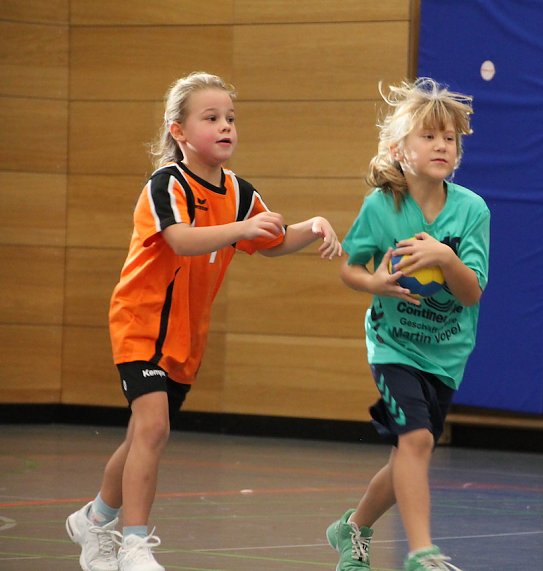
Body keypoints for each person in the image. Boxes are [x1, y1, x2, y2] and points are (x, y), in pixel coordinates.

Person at [65, 71, 342, 571]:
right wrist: (241, 228)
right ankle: (133, 543)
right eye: (211, 118)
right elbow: (182, 239)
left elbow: (271, 241)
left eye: (231, 118)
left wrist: (311, 227)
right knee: (153, 429)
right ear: (179, 131)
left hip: (186, 333)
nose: (225, 126)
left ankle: (94, 518)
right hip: (141, 321)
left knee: (140, 438)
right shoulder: (165, 184)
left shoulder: (237, 192)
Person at [326, 77, 489, 571]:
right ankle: (422, 553)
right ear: (399, 149)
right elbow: (351, 267)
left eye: (450, 138)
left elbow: (471, 291)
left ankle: (352, 528)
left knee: (407, 457)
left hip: (447, 354)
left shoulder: (471, 210)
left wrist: (445, 256)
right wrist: (373, 284)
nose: (442, 145)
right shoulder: (382, 208)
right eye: (429, 136)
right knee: (416, 441)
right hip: (393, 346)